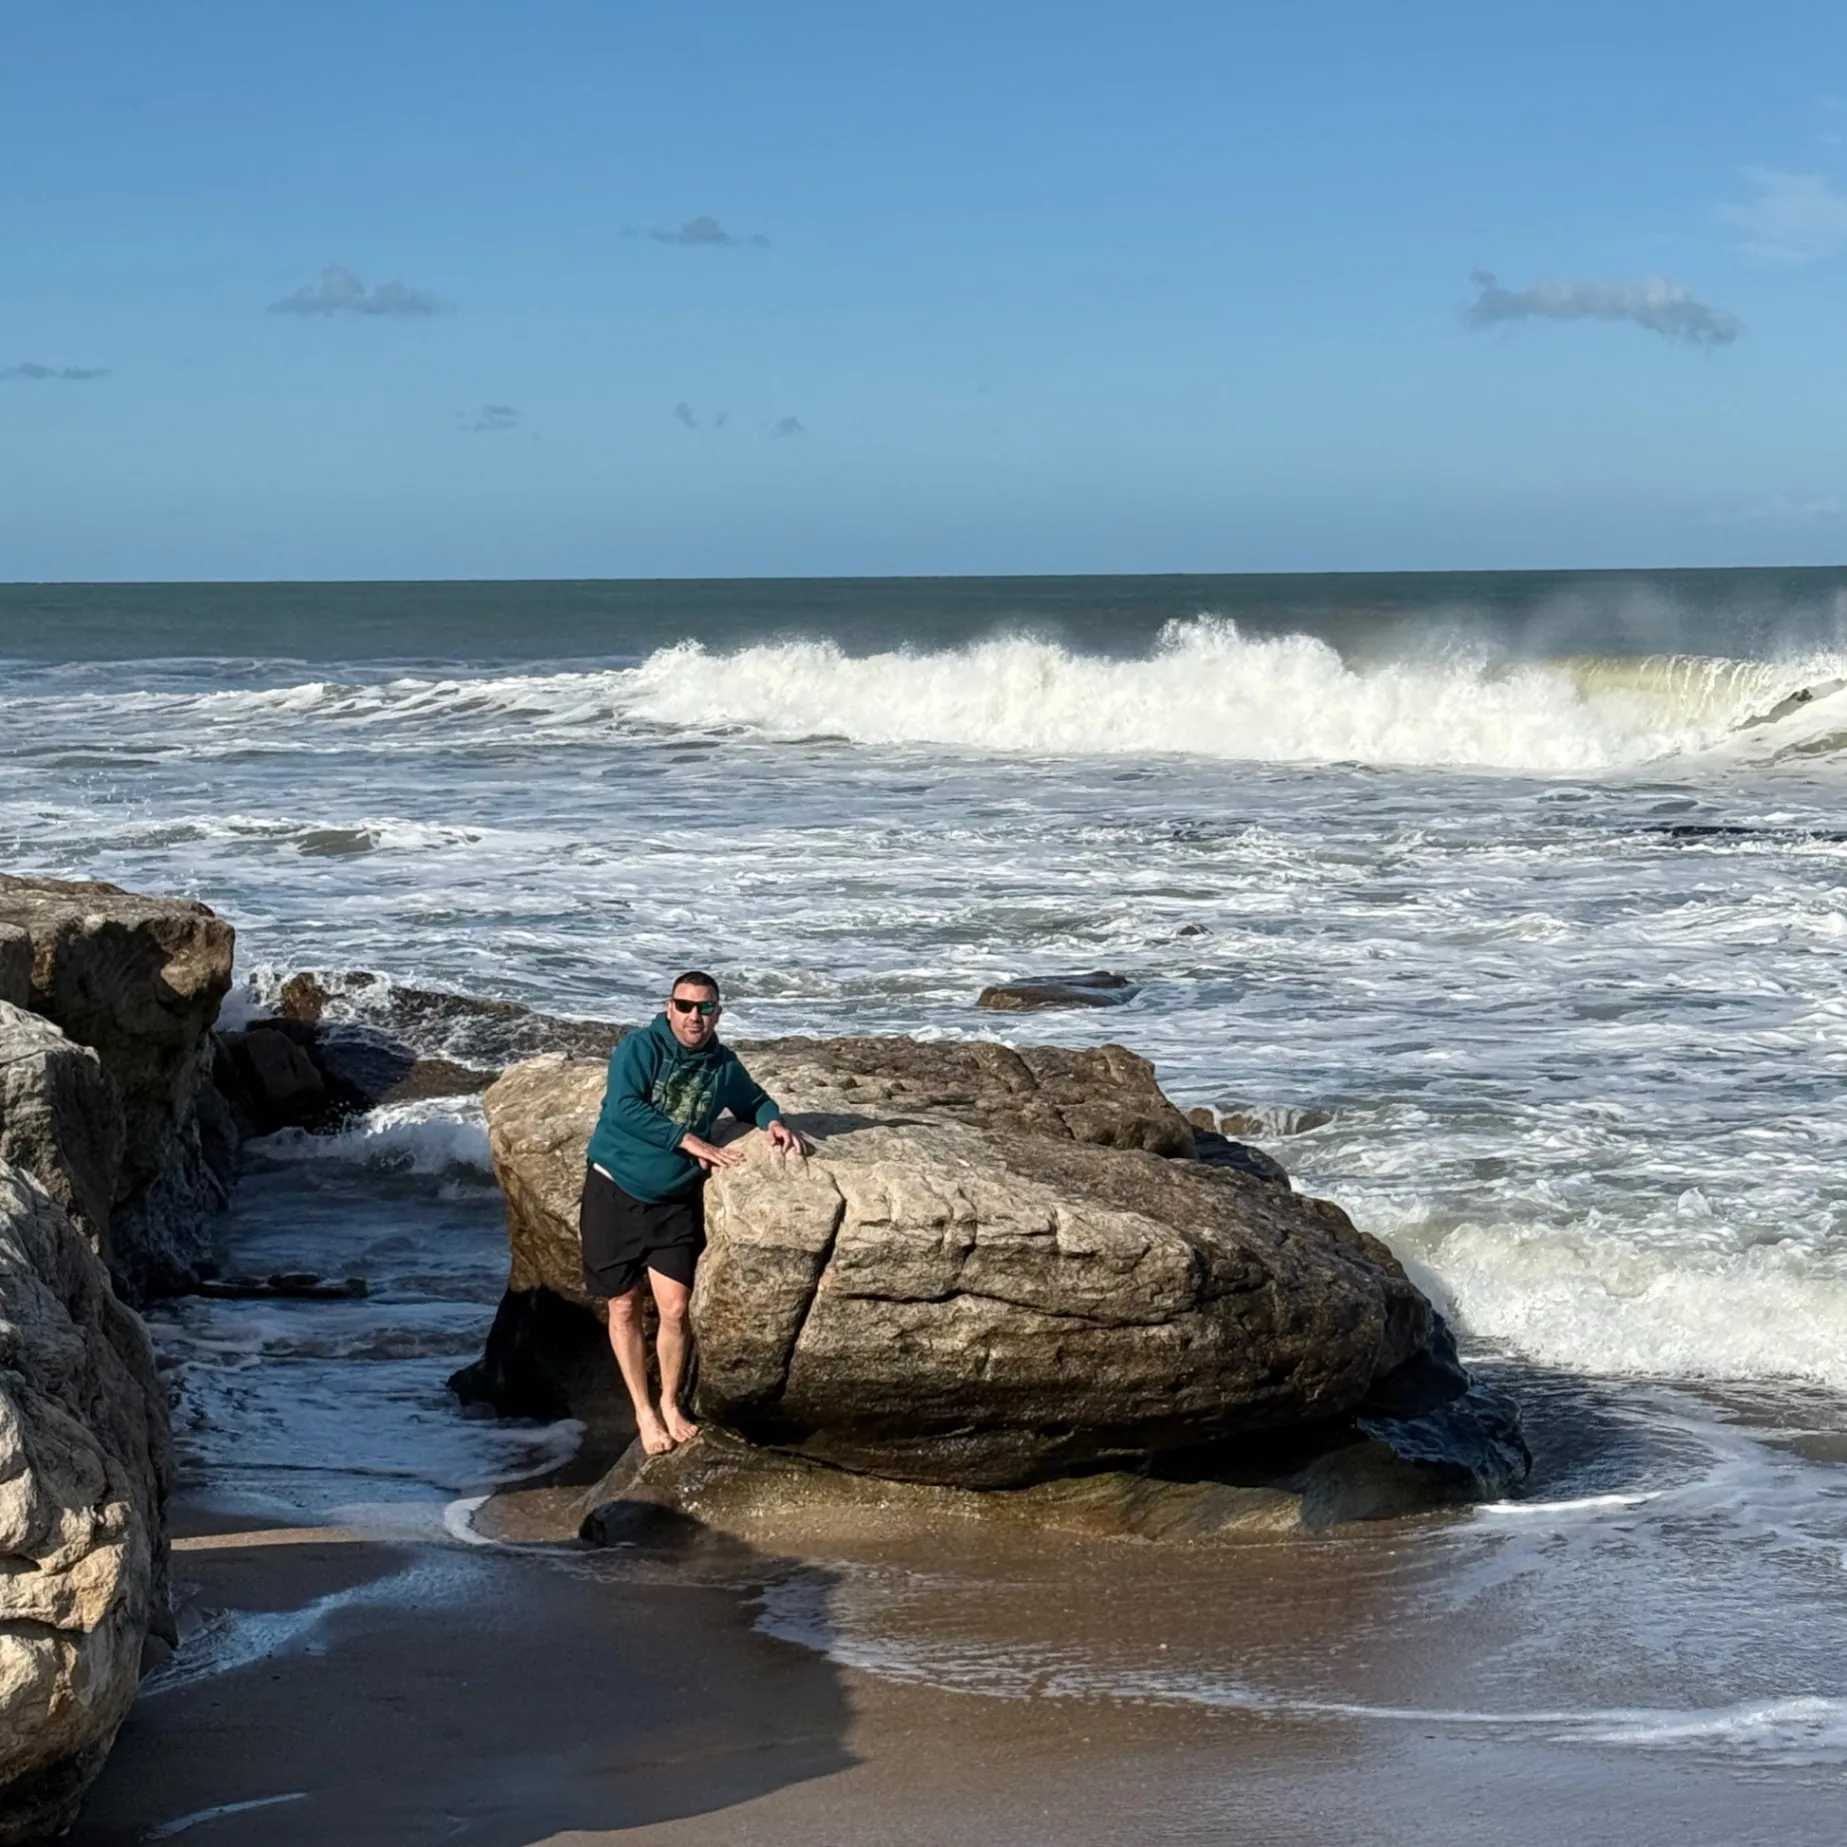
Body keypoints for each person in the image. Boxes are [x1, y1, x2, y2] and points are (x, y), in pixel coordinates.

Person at [580, 970, 807, 1455]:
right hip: (613, 1190)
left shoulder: (722, 1065)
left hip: (674, 1202)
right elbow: (622, 1108)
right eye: (685, 1006)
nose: (694, 1017)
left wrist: (774, 1123)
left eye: (705, 1009)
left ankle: (669, 1403)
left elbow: (755, 1100)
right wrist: (688, 1139)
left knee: (676, 1309)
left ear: (717, 1014)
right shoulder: (640, 1048)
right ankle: (642, 1410)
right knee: (623, 1305)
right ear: (669, 1008)